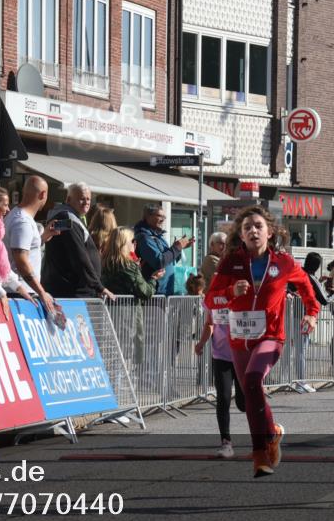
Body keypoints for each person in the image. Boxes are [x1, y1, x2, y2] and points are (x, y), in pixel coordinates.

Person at [204, 206, 320, 477]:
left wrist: (312, 313)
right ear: (241, 235)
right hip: (239, 340)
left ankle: (260, 454)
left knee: (254, 379)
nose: (253, 231)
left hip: (270, 336)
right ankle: (271, 433)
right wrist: (231, 291)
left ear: (270, 232)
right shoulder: (230, 262)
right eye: (247, 228)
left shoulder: (283, 262)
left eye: (258, 226)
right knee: (249, 396)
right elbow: (211, 300)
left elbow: (306, 285)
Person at [195, 284, 245, 459]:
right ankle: (226, 442)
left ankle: (268, 430)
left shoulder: (243, 295)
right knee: (223, 398)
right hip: (221, 355)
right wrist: (201, 343)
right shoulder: (213, 299)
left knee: (243, 404)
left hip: (242, 355)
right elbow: (210, 323)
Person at [43, 182, 115, 300]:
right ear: (68, 199)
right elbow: (78, 254)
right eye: (82, 199)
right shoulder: (67, 219)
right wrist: (98, 287)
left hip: (73, 290)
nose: (86, 202)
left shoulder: (71, 217)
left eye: (88, 199)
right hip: (70, 292)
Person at [102, 227, 163, 363]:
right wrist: (153, 279)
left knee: (113, 354)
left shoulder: (105, 262)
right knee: (125, 355)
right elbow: (145, 292)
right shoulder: (128, 265)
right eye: (132, 241)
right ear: (124, 243)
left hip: (108, 313)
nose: (135, 244)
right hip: (127, 316)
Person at [5, 176, 58, 315]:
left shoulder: (19, 217)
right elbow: (21, 260)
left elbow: (24, 250)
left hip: (21, 291)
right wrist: (41, 292)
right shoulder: (23, 221)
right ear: (43, 194)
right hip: (20, 293)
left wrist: (43, 237)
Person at [135, 204, 194, 295]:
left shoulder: (158, 237)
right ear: (147, 216)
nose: (163, 219)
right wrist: (176, 247)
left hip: (165, 291)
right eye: (159, 216)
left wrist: (180, 248)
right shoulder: (145, 238)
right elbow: (159, 262)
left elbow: (169, 261)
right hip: (154, 294)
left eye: (164, 217)